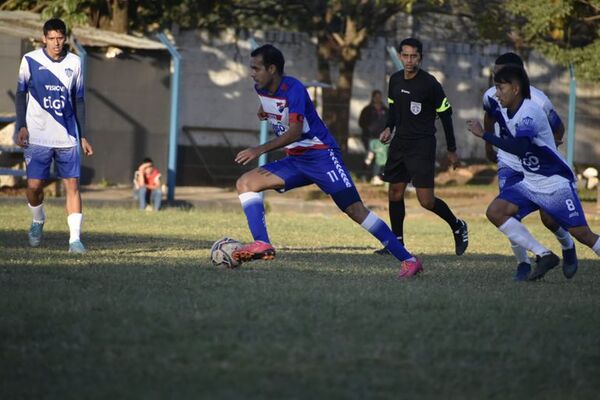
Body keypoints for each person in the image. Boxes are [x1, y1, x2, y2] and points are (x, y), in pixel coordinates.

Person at [232, 44, 423, 278]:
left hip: (322, 156)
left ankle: (409, 260)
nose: (252, 72)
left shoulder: (295, 89)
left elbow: (294, 132)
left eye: (256, 68)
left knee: (355, 209)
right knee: (246, 183)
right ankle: (262, 244)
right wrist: (264, 113)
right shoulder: (260, 87)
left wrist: (259, 149)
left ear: (272, 69)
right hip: (296, 160)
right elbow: (269, 107)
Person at [467, 65, 600, 281]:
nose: (497, 93)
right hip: (531, 182)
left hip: (554, 184)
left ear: (516, 88)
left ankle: (567, 248)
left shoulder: (530, 111)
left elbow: (521, 147)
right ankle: (544, 255)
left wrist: (485, 136)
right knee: (496, 211)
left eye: (501, 88)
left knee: (583, 234)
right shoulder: (506, 109)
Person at [483, 52, 577, 280]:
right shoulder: (490, 95)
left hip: (538, 168)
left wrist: (545, 149)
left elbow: (559, 128)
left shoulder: (539, 100)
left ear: (518, 79)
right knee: (505, 214)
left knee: (549, 217)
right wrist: (488, 146)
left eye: (502, 75)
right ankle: (523, 263)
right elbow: (489, 116)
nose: (497, 81)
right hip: (509, 163)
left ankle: (568, 246)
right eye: (496, 75)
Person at [375, 37, 468, 256]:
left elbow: (446, 116)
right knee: (395, 193)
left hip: (422, 145)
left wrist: (452, 150)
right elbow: (393, 110)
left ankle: (457, 225)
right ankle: (396, 244)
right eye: (405, 55)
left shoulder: (430, 84)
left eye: (413, 56)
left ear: (421, 58)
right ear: (399, 56)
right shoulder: (395, 80)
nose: (409, 60)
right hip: (400, 143)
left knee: (426, 201)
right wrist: (388, 128)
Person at [15, 18, 93, 254]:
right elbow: (20, 94)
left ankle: (75, 241)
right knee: (34, 187)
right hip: (37, 135)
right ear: (44, 39)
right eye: (52, 38)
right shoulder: (30, 60)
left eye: (60, 38)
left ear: (65, 38)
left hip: (67, 135)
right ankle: (38, 221)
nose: (56, 43)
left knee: (72, 184)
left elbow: (79, 100)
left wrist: (83, 135)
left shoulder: (75, 63)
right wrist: (21, 125)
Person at [359, 90, 388, 182]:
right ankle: (364, 174)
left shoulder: (385, 110)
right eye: (376, 97)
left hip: (382, 138)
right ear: (373, 97)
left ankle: (377, 176)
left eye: (379, 96)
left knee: (381, 157)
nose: (378, 99)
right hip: (370, 137)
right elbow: (361, 122)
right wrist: (369, 129)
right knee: (369, 156)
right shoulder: (367, 109)